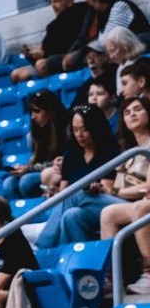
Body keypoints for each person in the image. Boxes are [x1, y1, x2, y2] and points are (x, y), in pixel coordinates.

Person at [34, 104, 123, 248]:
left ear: (95, 128)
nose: (79, 135)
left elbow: (109, 189)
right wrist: (54, 193)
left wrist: (97, 189)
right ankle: (77, 265)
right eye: (75, 130)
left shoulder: (110, 152)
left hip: (105, 205)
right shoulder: (71, 156)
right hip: (81, 209)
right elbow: (63, 191)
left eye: (84, 130)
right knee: (71, 215)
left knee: (73, 194)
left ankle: (42, 247)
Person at [13, 0, 93, 79]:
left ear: (69, 1)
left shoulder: (78, 16)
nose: (53, 6)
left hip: (71, 57)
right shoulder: (54, 25)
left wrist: (43, 54)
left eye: (56, 1)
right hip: (52, 59)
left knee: (39, 65)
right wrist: (33, 55)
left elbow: (69, 45)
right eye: (51, 2)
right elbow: (49, 49)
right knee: (16, 74)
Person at [2, 90, 69, 199]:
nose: (33, 117)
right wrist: (24, 168)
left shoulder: (67, 129)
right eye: (31, 112)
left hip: (59, 172)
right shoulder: (33, 134)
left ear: (50, 111)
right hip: (41, 170)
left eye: (37, 111)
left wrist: (30, 169)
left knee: (26, 181)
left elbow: (64, 160)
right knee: (8, 183)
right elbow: (35, 160)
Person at [68, 0, 138, 72]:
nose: (87, 1)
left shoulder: (120, 6)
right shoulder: (101, 12)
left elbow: (106, 42)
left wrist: (78, 56)